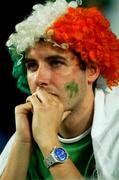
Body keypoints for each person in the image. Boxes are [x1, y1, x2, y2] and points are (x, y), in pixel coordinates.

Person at [0, 0, 119, 179]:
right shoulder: (26, 130)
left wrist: (48, 141)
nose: (40, 79)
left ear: (92, 70)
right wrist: (23, 141)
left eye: (56, 63)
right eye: (32, 65)